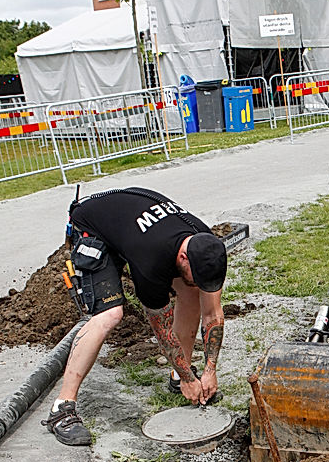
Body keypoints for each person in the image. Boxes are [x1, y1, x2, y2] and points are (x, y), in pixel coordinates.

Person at [43, 187, 227, 447]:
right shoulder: (151, 260)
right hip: (93, 228)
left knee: (190, 289)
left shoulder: (207, 244)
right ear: (184, 257)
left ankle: (178, 376)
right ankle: (62, 407)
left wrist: (210, 371)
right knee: (109, 314)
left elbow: (213, 314)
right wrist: (189, 378)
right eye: (195, 273)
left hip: (130, 223)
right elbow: (162, 332)